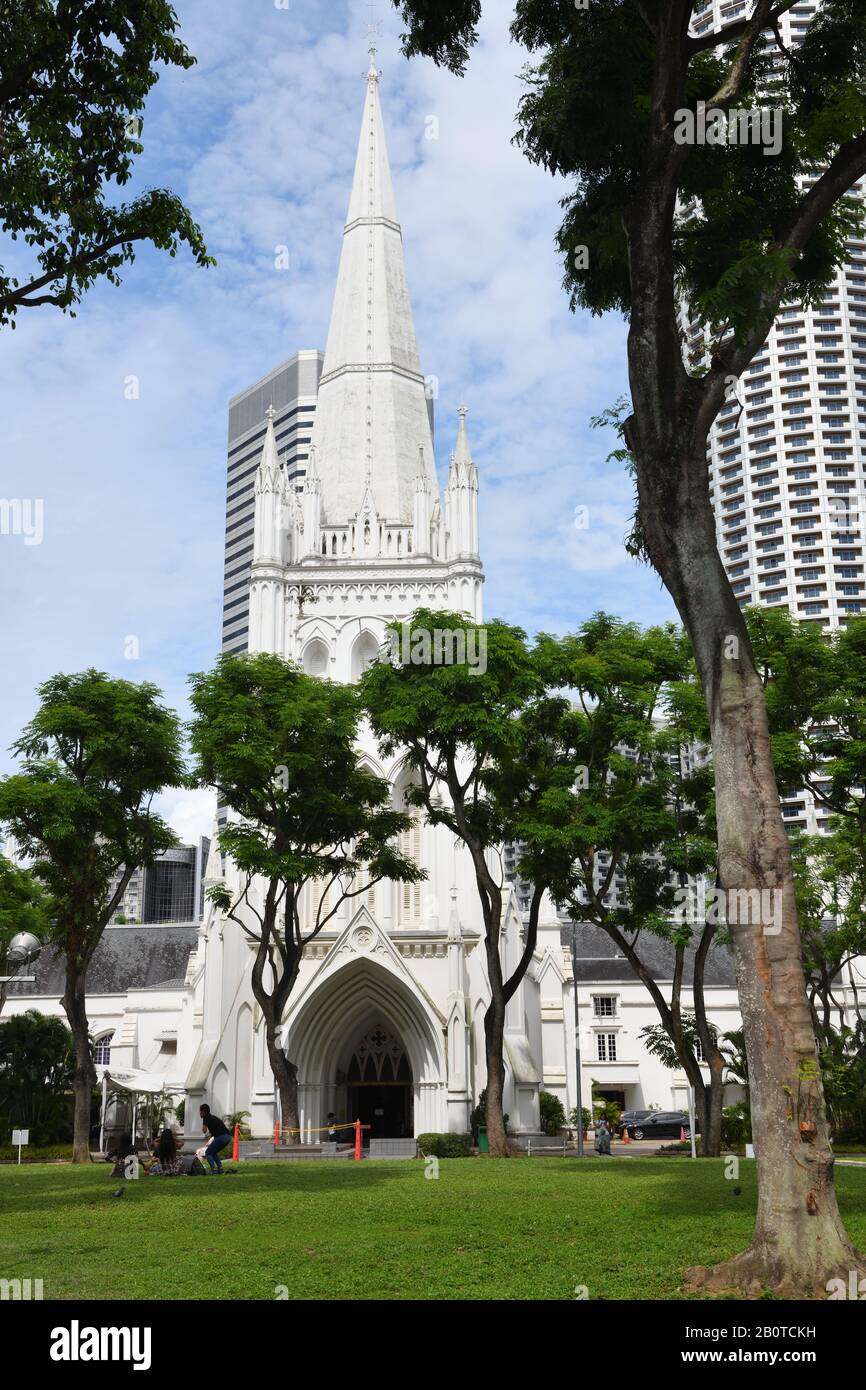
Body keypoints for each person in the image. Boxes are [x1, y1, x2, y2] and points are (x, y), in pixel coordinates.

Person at [199, 1104, 231, 1174]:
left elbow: (204, 1130)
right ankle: (220, 1168)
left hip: (221, 1137)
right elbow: (214, 1131)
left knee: (208, 1153)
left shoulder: (206, 1117)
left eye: (200, 1111)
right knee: (213, 1152)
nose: (199, 1113)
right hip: (227, 1137)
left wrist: (203, 1123)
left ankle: (213, 1170)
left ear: (203, 1111)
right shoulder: (212, 1117)